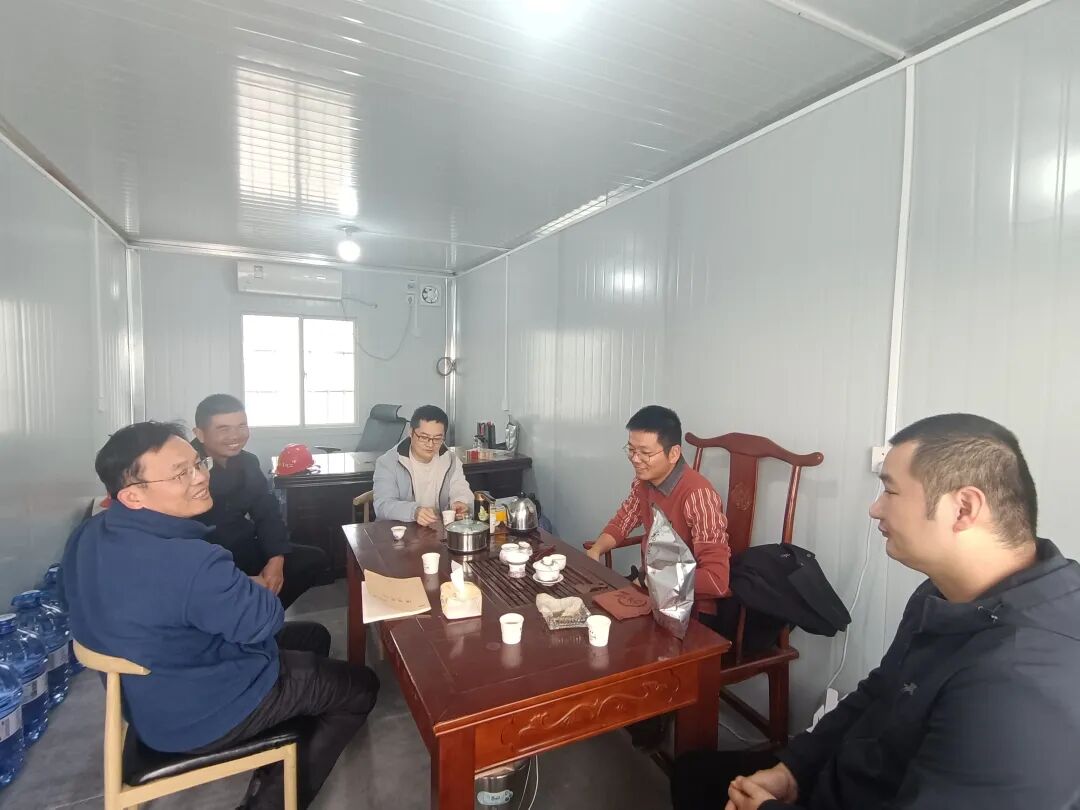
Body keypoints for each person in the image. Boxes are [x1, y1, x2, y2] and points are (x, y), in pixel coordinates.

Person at [671, 413, 1080, 810]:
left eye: (891, 492)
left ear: (963, 508)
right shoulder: (941, 592)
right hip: (844, 775)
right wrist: (794, 768)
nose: (875, 509)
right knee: (691, 774)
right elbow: (882, 688)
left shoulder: (1023, 681)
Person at [63, 422, 379, 810]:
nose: (200, 477)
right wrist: (249, 584)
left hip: (150, 687)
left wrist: (233, 587)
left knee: (314, 636)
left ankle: (286, 730)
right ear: (132, 495)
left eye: (198, 464)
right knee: (360, 687)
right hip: (198, 706)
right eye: (180, 474)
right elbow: (266, 619)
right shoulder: (189, 561)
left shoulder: (90, 532)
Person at [586, 405, 731, 618]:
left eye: (645, 453)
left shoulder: (698, 496)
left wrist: (649, 581)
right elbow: (622, 521)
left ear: (673, 453)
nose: (635, 459)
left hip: (689, 608)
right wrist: (596, 550)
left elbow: (716, 580)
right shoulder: (643, 483)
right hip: (649, 590)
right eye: (631, 450)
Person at [192, 394, 328, 609]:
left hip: (244, 545)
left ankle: (261, 614)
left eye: (241, 426)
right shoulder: (186, 468)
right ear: (199, 434)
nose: (235, 436)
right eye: (223, 429)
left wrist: (276, 558)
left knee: (311, 560)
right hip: (205, 558)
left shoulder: (247, 461)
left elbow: (267, 511)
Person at [372, 404, 472, 526]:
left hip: (438, 530)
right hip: (400, 531)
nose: (430, 444)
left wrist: (461, 502)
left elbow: (461, 490)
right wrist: (414, 512)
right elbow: (382, 505)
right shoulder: (388, 462)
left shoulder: (451, 460)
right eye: (424, 437)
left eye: (437, 439)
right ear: (411, 432)